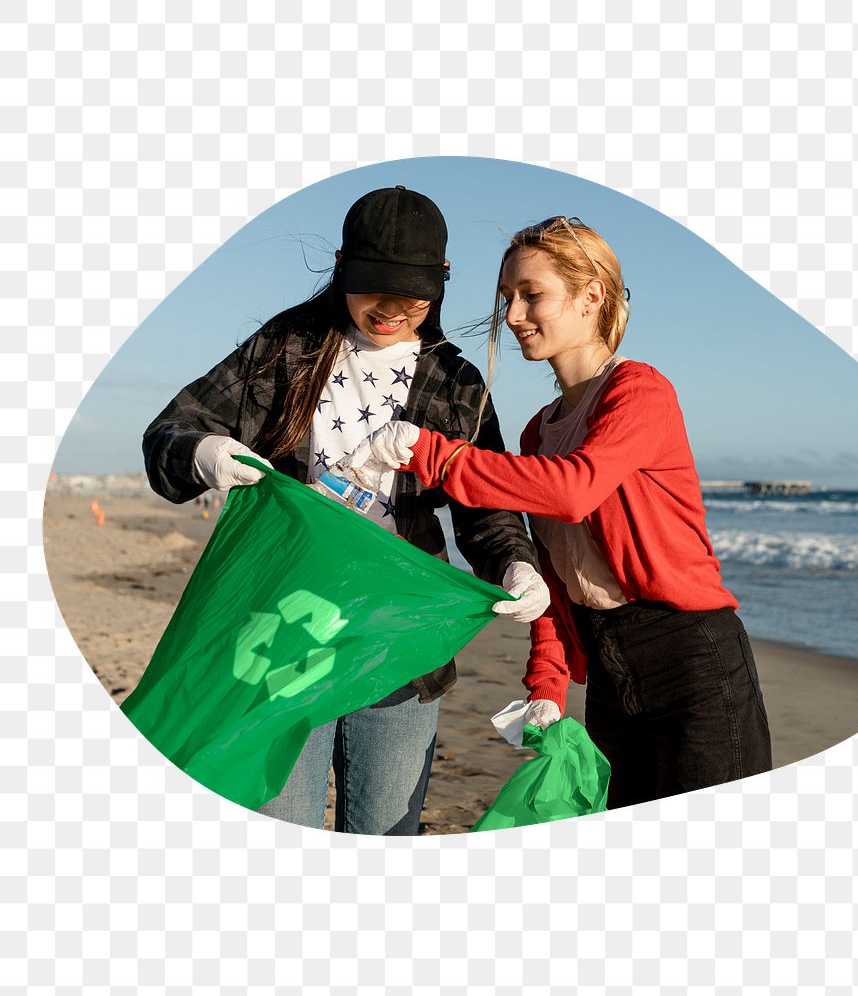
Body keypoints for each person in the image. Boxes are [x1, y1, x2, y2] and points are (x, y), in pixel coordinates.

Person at [142, 186, 550, 834]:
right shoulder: (287, 348)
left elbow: (487, 508)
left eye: (410, 294)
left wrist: (516, 565)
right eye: (373, 288)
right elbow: (169, 433)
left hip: (397, 644)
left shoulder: (457, 384)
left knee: (388, 834)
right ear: (340, 266)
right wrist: (206, 452)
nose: (389, 309)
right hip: (283, 633)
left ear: (442, 280)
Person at [349, 215, 772, 810]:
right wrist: (547, 681)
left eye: (532, 296)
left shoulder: (640, 392)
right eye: (506, 299)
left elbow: (574, 489)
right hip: (606, 667)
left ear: (591, 295)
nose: (514, 316)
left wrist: (429, 452)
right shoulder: (536, 432)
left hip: (691, 662)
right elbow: (555, 575)